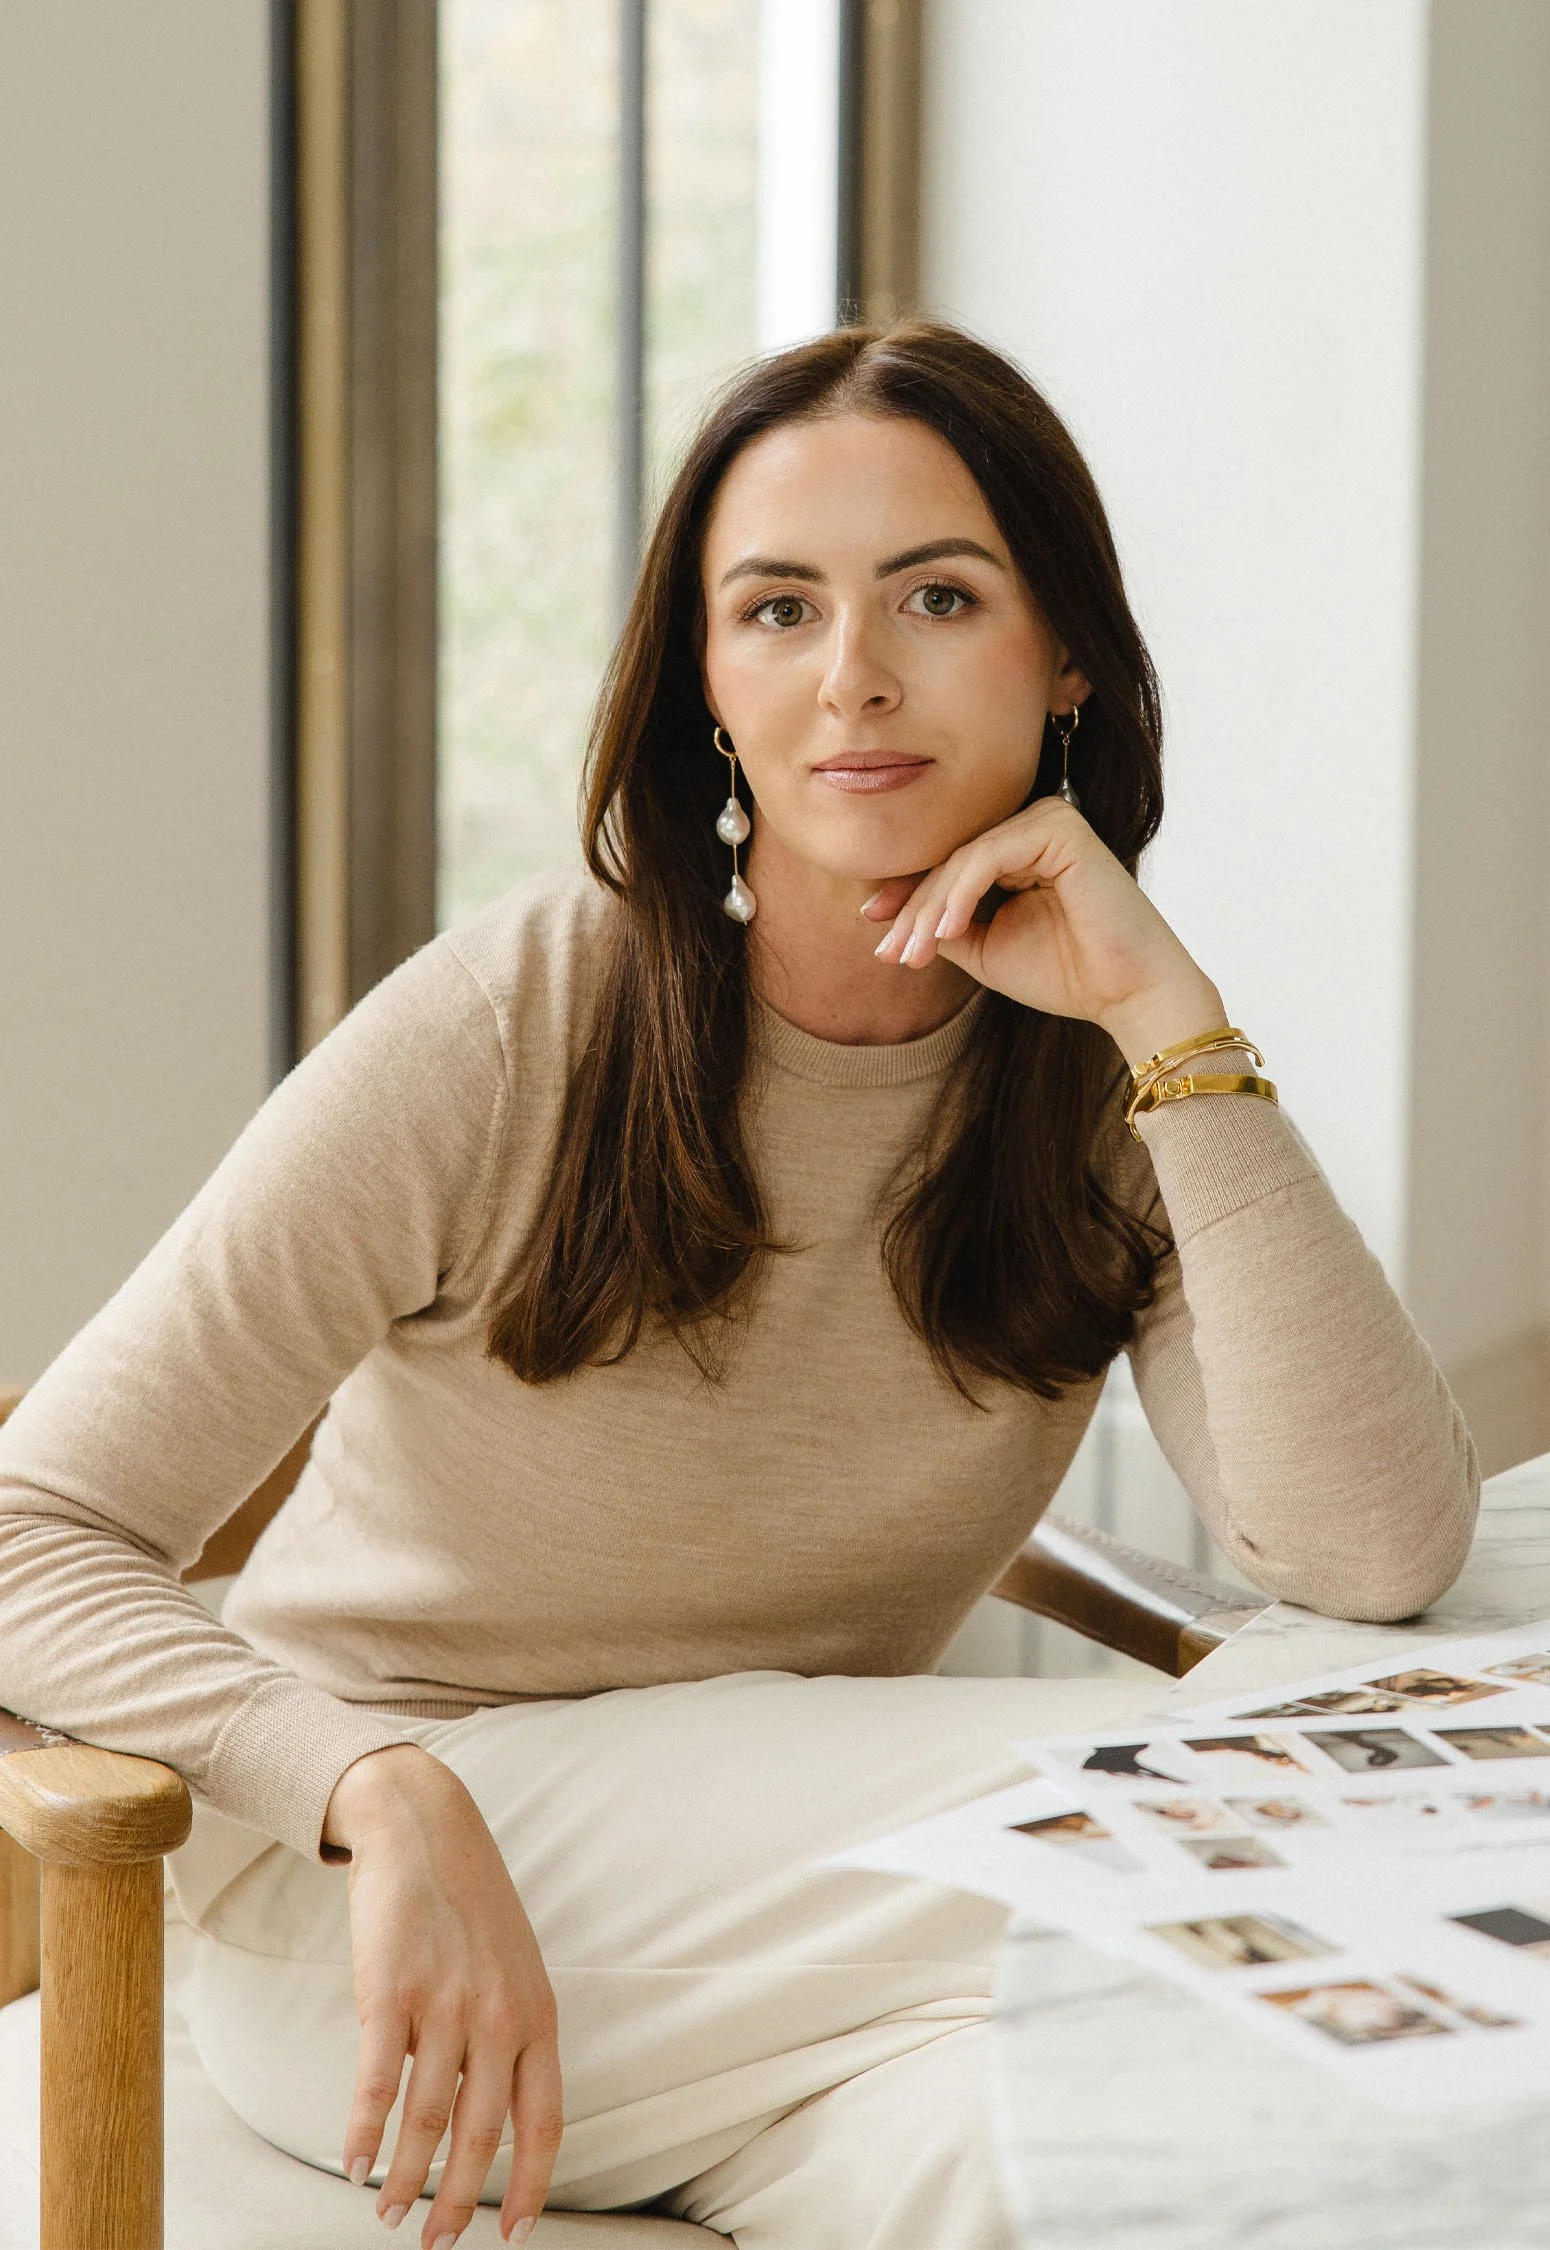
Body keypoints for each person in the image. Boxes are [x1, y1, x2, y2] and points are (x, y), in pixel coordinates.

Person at [0, 321, 1478, 2250]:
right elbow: (38, 1521)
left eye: (937, 597)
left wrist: (1164, 1015)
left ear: (1066, 659)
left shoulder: (1099, 1081)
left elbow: (1365, 1546)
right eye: (775, 610)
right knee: (1269, 1815)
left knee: (1138, 2159)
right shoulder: (511, 1020)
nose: (852, 674)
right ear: (705, 684)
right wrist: (370, 1781)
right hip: (379, 1900)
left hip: (744, 1969)